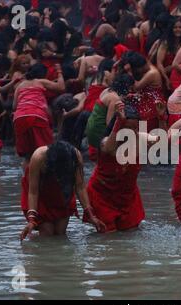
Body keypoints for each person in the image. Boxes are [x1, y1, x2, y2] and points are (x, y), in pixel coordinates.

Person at [85, 104, 158, 233]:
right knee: (109, 237)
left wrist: (161, 117)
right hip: (103, 196)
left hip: (127, 198)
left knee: (131, 236)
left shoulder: (140, 138)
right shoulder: (106, 142)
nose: (132, 132)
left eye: (135, 128)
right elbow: (108, 149)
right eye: (127, 128)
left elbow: (163, 141)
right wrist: (119, 120)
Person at [20, 140, 106, 241]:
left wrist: (90, 215)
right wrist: (31, 220)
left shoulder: (76, 156)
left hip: (63, 191)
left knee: (60, 233)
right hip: (40, 193)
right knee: (47, 232)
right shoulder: (39, 157)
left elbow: (80, 187)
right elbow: (33, 191)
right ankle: (36, 243)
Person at [13, 63, 65, 167]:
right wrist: (59, 72)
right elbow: (61, 87)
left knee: (28, 155)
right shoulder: (40, 81)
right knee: (46, 150)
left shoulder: (20, 85)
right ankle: (46, 180)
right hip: (36, 116)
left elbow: (14, 106)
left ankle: (27, 180)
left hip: (19, 117)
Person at [86, 73, 135, 161]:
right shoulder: (114, 99)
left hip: (91, 128)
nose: (131, 90)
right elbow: (110, 123)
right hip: (99, 131)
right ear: (125, 87)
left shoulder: (108, 90)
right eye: (130, 88)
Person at [155, 17, 181, 91]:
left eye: (180, 27)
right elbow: (159, 63)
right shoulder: (165, 43)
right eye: (175, 27)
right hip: (165, 75)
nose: (178, 29)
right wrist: (166, 79)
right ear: (171, 29)